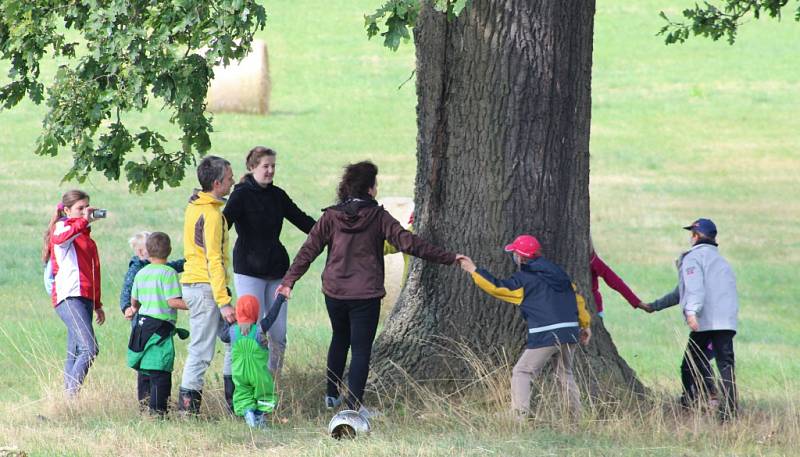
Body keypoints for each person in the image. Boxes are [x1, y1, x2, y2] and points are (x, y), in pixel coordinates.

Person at [277, 161, 462, 416]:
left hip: (335, 292)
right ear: (371, 189)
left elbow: (308, 250)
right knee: (361, 348)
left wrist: (288, 281)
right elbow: (409, 243)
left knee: (339, 338)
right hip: (365, 295)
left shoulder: (331, 216)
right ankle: (353, 406)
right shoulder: (378, 217)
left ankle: (331, 396)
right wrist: (449, 257)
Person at [458, 235, 591, 419]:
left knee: (522, 372)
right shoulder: (559, 274)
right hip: (570, 331)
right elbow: (577, 299)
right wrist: (585, 325)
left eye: (514, 254)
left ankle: (518, 416)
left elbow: (498, 288)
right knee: (564, 373)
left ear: (520, 258)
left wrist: (473, 270)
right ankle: (574, 419)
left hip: (547, 334)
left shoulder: (524, 280)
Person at [223, 146, 316, 397]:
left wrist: (331, 230)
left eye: (273, 165)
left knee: (278, 334)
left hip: (277, 270)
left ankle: (270, 386)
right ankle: (243, 387)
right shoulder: (240, 195)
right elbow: (222, 226)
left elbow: (302, 220)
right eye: (265, 165)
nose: (270, 170)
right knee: (249, 330)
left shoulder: (277, 195)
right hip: (248, 270)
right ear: (252, 167)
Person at [640, 218, 738, 421]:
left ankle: (690, 402)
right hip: (727, 322)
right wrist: (655, 306)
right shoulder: (721, 262)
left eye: (691, 233)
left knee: (689, 363)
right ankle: (729, 413)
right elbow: (680, 292)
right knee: (726, 365)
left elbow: (693, 288)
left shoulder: (692, 258)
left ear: (696, 235)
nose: (690, 237)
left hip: (705, 321)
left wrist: (692, 312)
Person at [177, 155, 236, 415]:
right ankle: (188, 411)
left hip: (202, 285)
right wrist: (223, 302)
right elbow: (213, 259)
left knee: (234, 340)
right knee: (201, 350)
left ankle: (235, 401)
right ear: (217, 183)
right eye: (229, 179)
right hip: (205, 286)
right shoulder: (211, 214)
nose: (233, 182)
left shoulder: (196, 205)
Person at [43, 190, 106, 396]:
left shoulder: (87, 239)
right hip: (69, 295)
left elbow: (94, 271)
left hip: (85, 297)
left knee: (75, 351)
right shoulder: (62, 227)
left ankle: (66, 402)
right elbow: (60, 240)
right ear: (67, 210)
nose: (84, 212)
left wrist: (97, 304)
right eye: (80, 208)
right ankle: (71, 396)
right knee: (90, 348)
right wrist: (82, 222)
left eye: (87, 207)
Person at [125, 232, 189, 415]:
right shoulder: (169, 273)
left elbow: (134, 301)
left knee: (144, 369)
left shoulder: (141, 273)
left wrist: (135, 308)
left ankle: (144, 409)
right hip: (161, 329)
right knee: (160, 369)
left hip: (142, 327)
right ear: (169, 250)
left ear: (148, 251)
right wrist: (194, 304)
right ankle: (159, 411)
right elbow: (172, 301)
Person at [225, 295, 277, 428]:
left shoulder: (232, 332)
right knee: (265, 393)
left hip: (239, 373)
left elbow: (221, 334)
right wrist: (281, 298)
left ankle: (248, 412)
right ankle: (260, 417)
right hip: (258, 372)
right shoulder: (259, 330)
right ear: (256, 312)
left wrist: (225, 314)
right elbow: (272, 316)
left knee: (242, 393)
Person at [120, 231, 185, 324]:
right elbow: (126, 289)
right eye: (150, 246)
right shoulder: (136, 270)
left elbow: (174, 266)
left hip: (158, 318)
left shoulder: (160, 267)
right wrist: (127, 307)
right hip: (140, 318)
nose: (155, 248)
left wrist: (189, 261)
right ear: (140, 251)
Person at [589, 239, 642, 317]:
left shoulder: (592, 259)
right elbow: (615, 281)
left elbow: (615, 281)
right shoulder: (592, 259)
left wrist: (636, 302)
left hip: (593, 308)